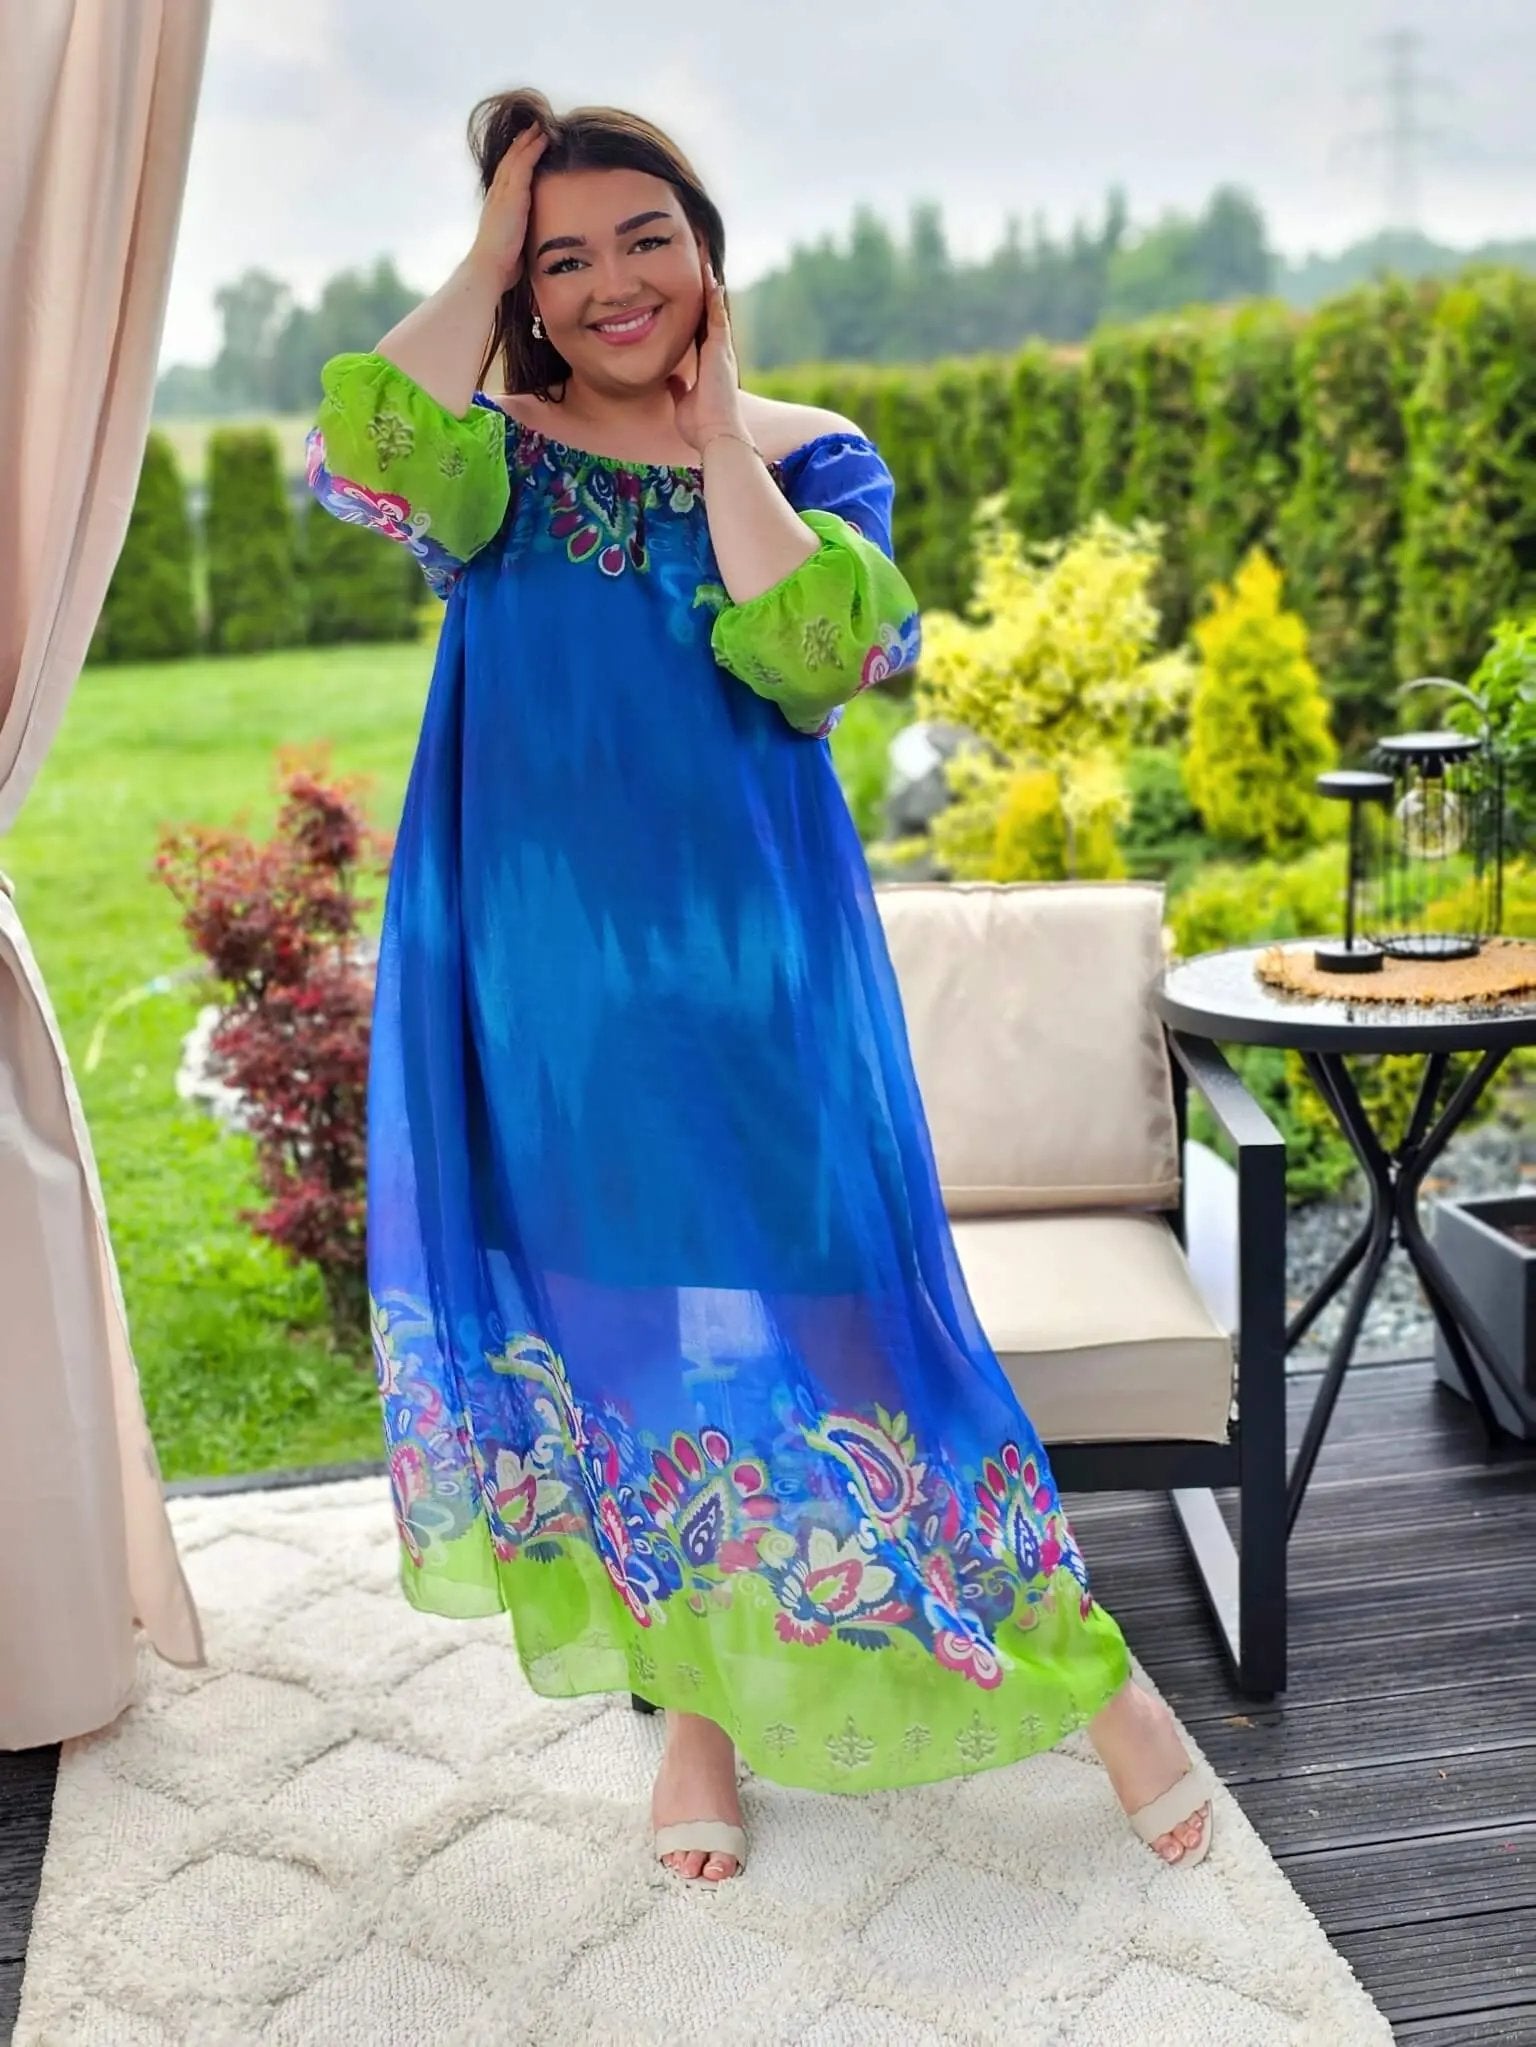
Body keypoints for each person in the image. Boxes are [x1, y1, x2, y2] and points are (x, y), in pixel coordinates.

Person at [306, 86, 1215, 1889]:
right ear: (521, 290)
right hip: (551, 1001)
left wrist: (720, 437)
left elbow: (817, 660)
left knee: (873, 1335)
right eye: (561, 260)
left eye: (646, 238)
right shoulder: (487, 466)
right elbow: (367, 445)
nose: (610, 285)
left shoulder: (815, 459)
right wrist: (488, 243)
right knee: (628, 1347)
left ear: (710, 251)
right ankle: (699, 1722)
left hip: (763, 986)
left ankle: (1105, 1685)